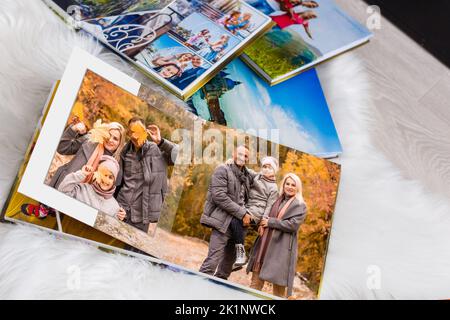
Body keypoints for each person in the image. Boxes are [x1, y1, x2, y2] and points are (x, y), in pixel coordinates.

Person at [21, 120, 125, 218]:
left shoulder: (115, 165)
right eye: (109, 134)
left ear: (120, 143)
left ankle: (57, 211)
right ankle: (45, 208)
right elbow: (63, 148)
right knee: (52, 199)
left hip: (83, 197)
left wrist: (118, 211)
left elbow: (109, 191)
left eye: (115, 138)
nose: (110, 139)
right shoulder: (91, 140)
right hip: (65, 181)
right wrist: (74, 129)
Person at [199, 145, 256, 280]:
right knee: (212, 262)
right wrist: (242, 213)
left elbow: (262, 181)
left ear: (248, 159)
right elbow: (219, 196)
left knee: (226, 268)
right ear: (233, 153)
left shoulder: (247, 176)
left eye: (246, 156)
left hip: (239, 227)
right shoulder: (222, 170)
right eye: (240, 154)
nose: (242, 157)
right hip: (222, 223)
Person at [246, 173, 307, 298]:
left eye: (293, 185)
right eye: (287, 183)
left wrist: (270, 222)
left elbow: (292, 225)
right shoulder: (276, 199)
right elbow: (265, 213)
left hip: (282, 249)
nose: (289, 187)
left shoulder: (301, 205)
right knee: (255, 284)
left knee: (278, 289)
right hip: (265, 244)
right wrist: (262, 224)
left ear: (298, 187)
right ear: (283, 184)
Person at [115, 117, 178, 234]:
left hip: (141, 216)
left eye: (137, 131)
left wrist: (160, 141)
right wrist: (113, 204)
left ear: (145, 131)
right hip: (120, 208)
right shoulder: (125, 151)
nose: (134, 136)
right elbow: (118, 181)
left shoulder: (157, 150)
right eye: (131, 132)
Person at [232, 156, 280, 266]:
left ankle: (241, 254)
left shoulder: (273, 187)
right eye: (264, 167)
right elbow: (246, 170)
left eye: (269, 168)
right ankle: (235, 256)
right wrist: (232, 163)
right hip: (248, 207)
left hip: (258, 211)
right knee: (234, 221)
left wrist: (263, 223)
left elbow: (269, 206)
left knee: (237, 220)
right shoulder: (257, 176)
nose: (266, 169)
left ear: (274, 170)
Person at [58, 156, 126, 220]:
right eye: (104, 175)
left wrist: (119, 218)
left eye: (110, 177)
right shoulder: (82, 188)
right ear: (97, 174)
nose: (106, 180)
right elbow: (62, 191)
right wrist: (82, 174)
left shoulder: (115, 207)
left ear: (114, 181)